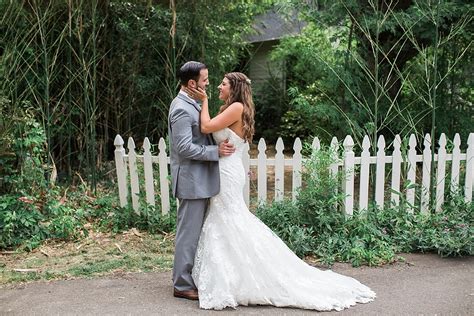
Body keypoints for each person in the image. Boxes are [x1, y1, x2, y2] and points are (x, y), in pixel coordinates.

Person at [185, 72, 376, 311]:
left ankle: (243, 276)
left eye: (223, 84)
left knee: (229, 220)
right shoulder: (233, 107)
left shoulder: (235, 107)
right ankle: (235, 275)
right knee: (225, 220)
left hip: (226, 173)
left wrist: (202, 101)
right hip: (227, 169)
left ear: (234, 87)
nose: (218, 87)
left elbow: (206, 126)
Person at [168, 61, 235, 301]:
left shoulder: (193, 103)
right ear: (192, 83)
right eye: (205, 80)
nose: (208, 83)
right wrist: (215, 153)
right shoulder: (180, 109)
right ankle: (182, 284)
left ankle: (190, 276)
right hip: (190, 182)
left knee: (196, 232)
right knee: (188, 233)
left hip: (200, 179)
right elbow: (184, 148)